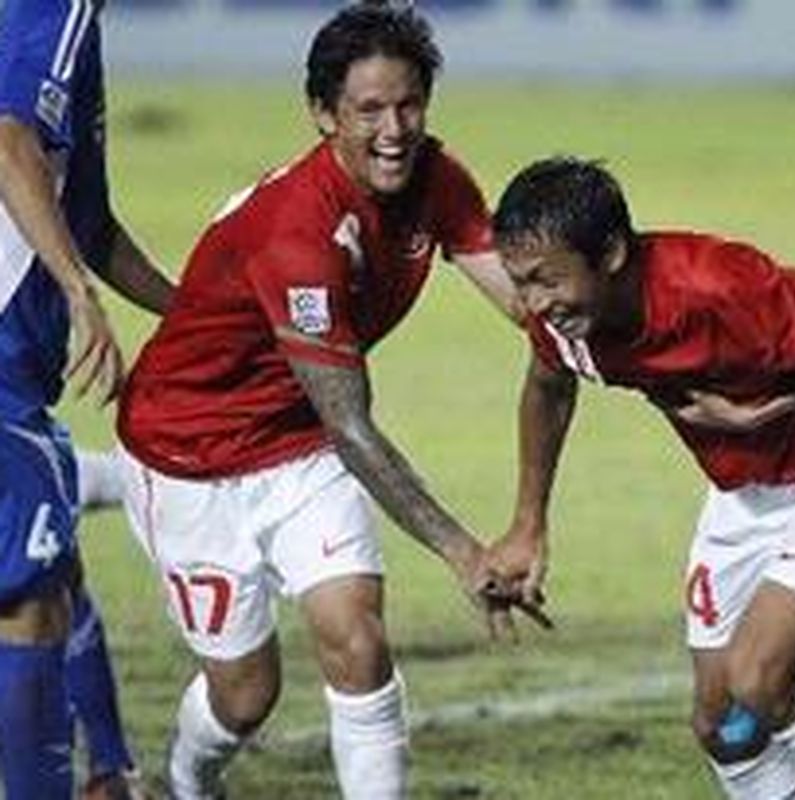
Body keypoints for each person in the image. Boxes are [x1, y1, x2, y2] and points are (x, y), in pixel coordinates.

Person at [114, 4, 545, 798]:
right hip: (188, 458)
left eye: (409, 105)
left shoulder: (438, 179)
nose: (395, 131)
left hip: (299, 446)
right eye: (369, 110)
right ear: (323, 114)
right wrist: (462, 551)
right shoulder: (295, 232)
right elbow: (352, 424)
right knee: (246, 695)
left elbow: (531, 305)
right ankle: (183, 782)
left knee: (358, 641)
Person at [483, 157, 795, 799]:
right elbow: (548, 387)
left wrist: (768, 407)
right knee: (726, 727)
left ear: (610, 253)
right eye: (521, 283)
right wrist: (528, 524)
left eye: (547, 281)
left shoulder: (719, 288)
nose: (535, 305)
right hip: (744, 495)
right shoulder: (566, 324)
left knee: (761, 681)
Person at [0, 0, 174, 796]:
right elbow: (9, 140)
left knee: (53, 568)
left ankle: (108, 775)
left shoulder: (78, 31)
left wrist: (198, 316)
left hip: (17, 383)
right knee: (27, 606)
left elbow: (89, 224)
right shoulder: (49, 5)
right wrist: (77, 293)